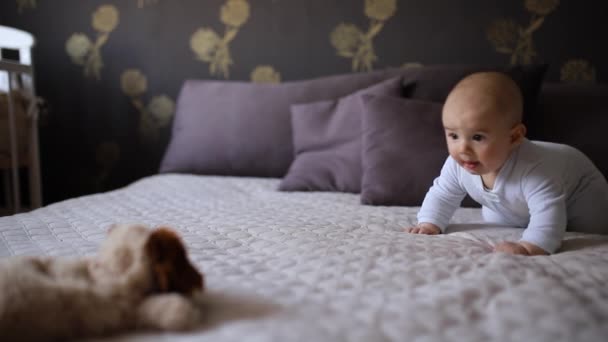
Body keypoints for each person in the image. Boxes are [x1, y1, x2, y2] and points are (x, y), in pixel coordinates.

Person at [405, 71, 608, 255]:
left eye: (477, 137)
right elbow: (442, 194)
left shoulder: (536, 168)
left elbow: (549, 214)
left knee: (591, 224)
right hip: (518, 205)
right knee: (494, 217)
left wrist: (530, 246)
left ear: (514, 137)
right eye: (453, 136)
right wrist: (430, 223)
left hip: (580, 193)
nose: (463, 149)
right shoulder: (458, 164)